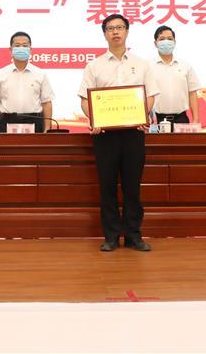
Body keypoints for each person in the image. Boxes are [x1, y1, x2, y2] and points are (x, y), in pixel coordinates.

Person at [78, 14, 159, 252]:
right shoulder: (94, 66)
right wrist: (94, 119)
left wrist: (143, 116)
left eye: (120, 27)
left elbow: (150, 95)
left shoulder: (142, 64)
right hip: (105, 134)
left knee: (133, 186)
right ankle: (111, 236)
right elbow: (85, 100)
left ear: (127, 31)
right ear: (104, 34)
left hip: (134, 132)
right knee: (108, 186)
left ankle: (134, 235)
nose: (115, 32)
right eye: (111, 28)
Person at [0, 31, 55, 133]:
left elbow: (47, 103)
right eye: (17, 45)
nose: (21, 48)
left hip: (34, 122)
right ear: (11, 50)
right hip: (6, 121)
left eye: (25, 45)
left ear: (30, 50)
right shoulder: (0, 74)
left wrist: (47, 129)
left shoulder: (40, 74)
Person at [150, 25, 201, 125]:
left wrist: (196, 119)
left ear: (174, 42)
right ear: (155, 43)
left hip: (181, 119)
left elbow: (192, 93)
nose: (166, 42)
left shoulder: (185, 65)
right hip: (156, 120)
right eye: (162, 39)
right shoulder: (148, 66)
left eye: (170, 39)